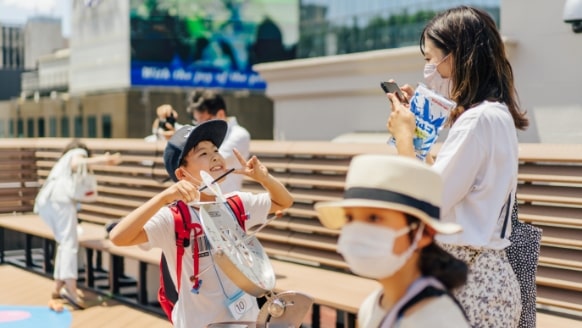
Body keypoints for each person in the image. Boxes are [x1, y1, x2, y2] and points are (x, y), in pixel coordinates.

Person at [385, 6, 528, 327]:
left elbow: (426, 202)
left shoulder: (477, 121)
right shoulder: (492, 114)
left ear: (457, 57)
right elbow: (447, 185)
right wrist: (418, 127)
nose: (428, 69)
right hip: (480, 278)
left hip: (471, 284)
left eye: (430, 59)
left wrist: (405, 137)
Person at [109, 121, 293, 328]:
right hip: (200, 323)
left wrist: (265, 179)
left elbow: (283, 202)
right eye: (202, 154)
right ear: (182, 174)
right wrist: (163, 198)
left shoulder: (236, 204)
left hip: (247, 319)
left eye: (215, 150)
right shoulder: (173, 217)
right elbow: (118, 237)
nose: (215, 156)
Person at [315, 154, 469, 328]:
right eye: (349, 218)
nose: (357, 230)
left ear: (424, 233)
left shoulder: (438, 320)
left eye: (374, 218)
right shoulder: (373, 305)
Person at [34, 139, 122, 310]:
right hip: (60, 200)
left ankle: (58, 286)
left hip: (47, 201)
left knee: (64, 242)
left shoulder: (62, 160)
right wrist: (103, 161)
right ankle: (71, 288)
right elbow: (78, 162)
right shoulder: (77, 153)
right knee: (69, 243)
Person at [188, 89, 251, 193]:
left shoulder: (240, 135)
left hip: (229, 202)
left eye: (204, 121)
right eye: (197, 122)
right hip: (203, 200)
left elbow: (210, 160)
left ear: (220, 115)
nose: (199, 127)